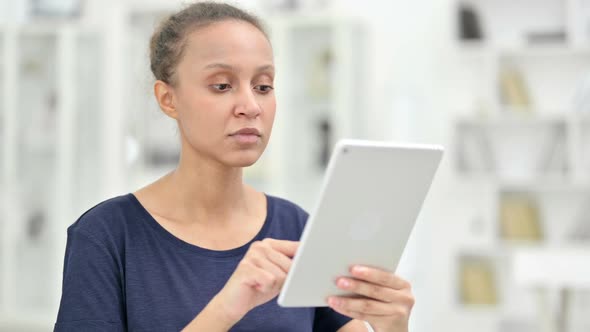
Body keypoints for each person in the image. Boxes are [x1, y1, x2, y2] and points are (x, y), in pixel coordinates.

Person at [54, 2, 414, 331]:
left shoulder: (297, 229)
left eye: (263, 86)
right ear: (168, 98)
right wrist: (225, 308)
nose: (250, 106)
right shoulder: (106, 237)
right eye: (222, 85)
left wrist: (392, 325)